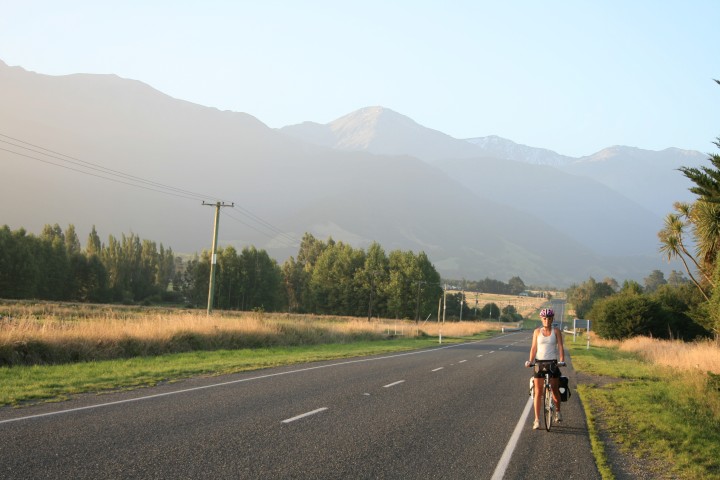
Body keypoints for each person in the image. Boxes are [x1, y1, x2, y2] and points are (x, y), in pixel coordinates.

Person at [525, 307, 565, 429]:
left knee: (555, 389)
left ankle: (557, 412)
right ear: (541, 319)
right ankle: (537, 420)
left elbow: (560, 347)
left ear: (552, 319)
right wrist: (530, 361)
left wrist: (562, 360)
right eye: (544, 318)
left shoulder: (556, 331)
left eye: (549, 318)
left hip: (552, 363)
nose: (547, 320)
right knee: (538, 392)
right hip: (539, 363)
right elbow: (533, 348)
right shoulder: (537, 332)